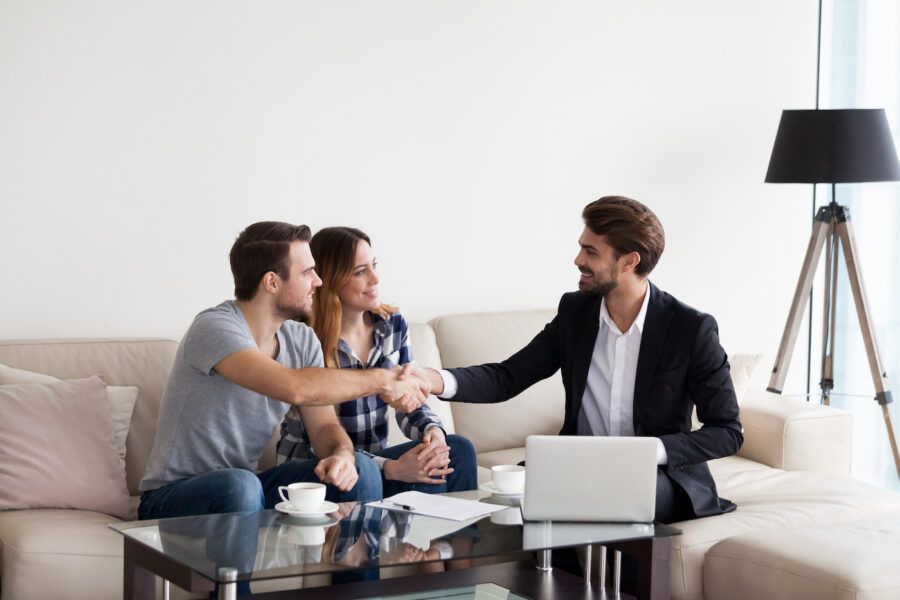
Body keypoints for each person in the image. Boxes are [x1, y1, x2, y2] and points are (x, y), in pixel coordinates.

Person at [414, 196, 743, 524]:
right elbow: (508, 376)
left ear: (629, 261)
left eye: (591, 252)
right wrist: (433, 379)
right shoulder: (575, 313)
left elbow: (727, 431)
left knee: (617, 495)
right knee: (508, 497)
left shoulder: (690, 329)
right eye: (581, 247)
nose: (577, 260)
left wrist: (647, 453)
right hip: (578, 469)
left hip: (657, 477)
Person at [139, 222, 430, 522]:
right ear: (272, 282)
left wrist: (341, 453)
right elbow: (294, 387)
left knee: (360, 468)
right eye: (307, 273)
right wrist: (383, 379)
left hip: (248, 486)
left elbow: (324, 428)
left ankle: (358, 568)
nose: (318, 282)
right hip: (171, 496)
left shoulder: (301, 340)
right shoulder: (215, 327)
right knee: (240, 484)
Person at [277, 226, 477, 497]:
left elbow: (411, 403)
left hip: (374, 463)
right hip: (322, 468)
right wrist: (392, 468)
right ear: (331, 279)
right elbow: (320, 440)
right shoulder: (305, 338)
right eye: (361, 272)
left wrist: (433, 435)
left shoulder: (392, 325)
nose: (375, 278)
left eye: (373, 265)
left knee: (456, 451)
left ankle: (446, 541)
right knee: (407, 471)